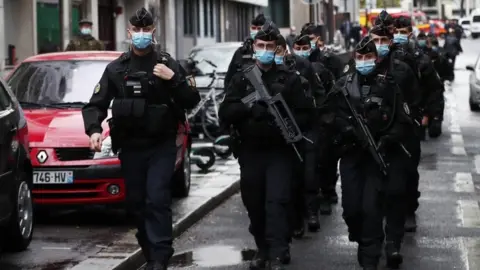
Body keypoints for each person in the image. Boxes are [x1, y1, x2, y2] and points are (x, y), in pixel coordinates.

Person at [81, 8, 200, 270]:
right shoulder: (117, 68)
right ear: (129, 32)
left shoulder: (167, 64)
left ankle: (159, 257)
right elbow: (95, 104)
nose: (142, 35)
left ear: (153, 32)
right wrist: (94, 130)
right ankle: (150, 250)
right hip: (131, 147)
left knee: (157, 198)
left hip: (161, 145)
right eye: (137, 30)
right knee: (137, 203)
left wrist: (175, 80)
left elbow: (192, 99)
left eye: (147, 30)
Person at [219, 22, 314, 270]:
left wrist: (284, 117)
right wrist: (250, 106)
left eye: (269, 46)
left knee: (277, 202)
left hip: (280, 152)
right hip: (251, 152)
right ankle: (262, 248)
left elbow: (307, 115)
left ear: (277, 49)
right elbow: (226, 112)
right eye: (260, 46)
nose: (264, 50)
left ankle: (278, 251)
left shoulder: (291, 79)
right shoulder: (242, 78)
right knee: (255, 203)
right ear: (254, 47)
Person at [327, 35, 414, 270]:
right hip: (351, 156)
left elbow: (402, 121)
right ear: (355, 58)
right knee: (351, 210)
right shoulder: (343, 85)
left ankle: (370, 258)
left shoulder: (389, 86)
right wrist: (345, 128)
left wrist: (387, 138)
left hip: (377, 157)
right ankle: (361, 237)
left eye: (369, 57)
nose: (364, 60)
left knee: (371, 209)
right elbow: (328, 115)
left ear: (376, 59)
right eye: (360, 56)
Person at [277, 34, 326, 237]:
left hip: (307, 127)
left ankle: (311, 212)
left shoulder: (303, 65)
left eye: (278, 49)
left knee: (310, 173)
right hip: (283, 132)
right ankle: (296, 219)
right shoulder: (266, 71)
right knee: (291, 179)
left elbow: (319, 93)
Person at [291, 33, 337, 216]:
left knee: (313, 171)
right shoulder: (284, 68)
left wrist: (324, 121)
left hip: (312, 126)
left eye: (305, 48)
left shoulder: (316, 68)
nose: (301, 52)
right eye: (298, 48)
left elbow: (325, 96)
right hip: (290, 127)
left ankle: (313, 209)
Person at [224, 14, 267, 88]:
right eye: (253, 28)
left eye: (259, 28)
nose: (256, 31)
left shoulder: (271, 52)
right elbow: (229, 77)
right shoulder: (241, 52)